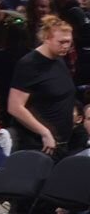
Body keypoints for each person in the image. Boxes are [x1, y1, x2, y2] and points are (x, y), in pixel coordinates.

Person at [8, 15, 82, 157]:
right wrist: (44, 132)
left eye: (69, 42)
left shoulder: (59, 60)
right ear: (46, 38)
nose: (66, 46)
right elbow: (15, 107)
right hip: (38, 145)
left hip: (60, 144)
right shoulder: (29, 64)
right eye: (61, 42)